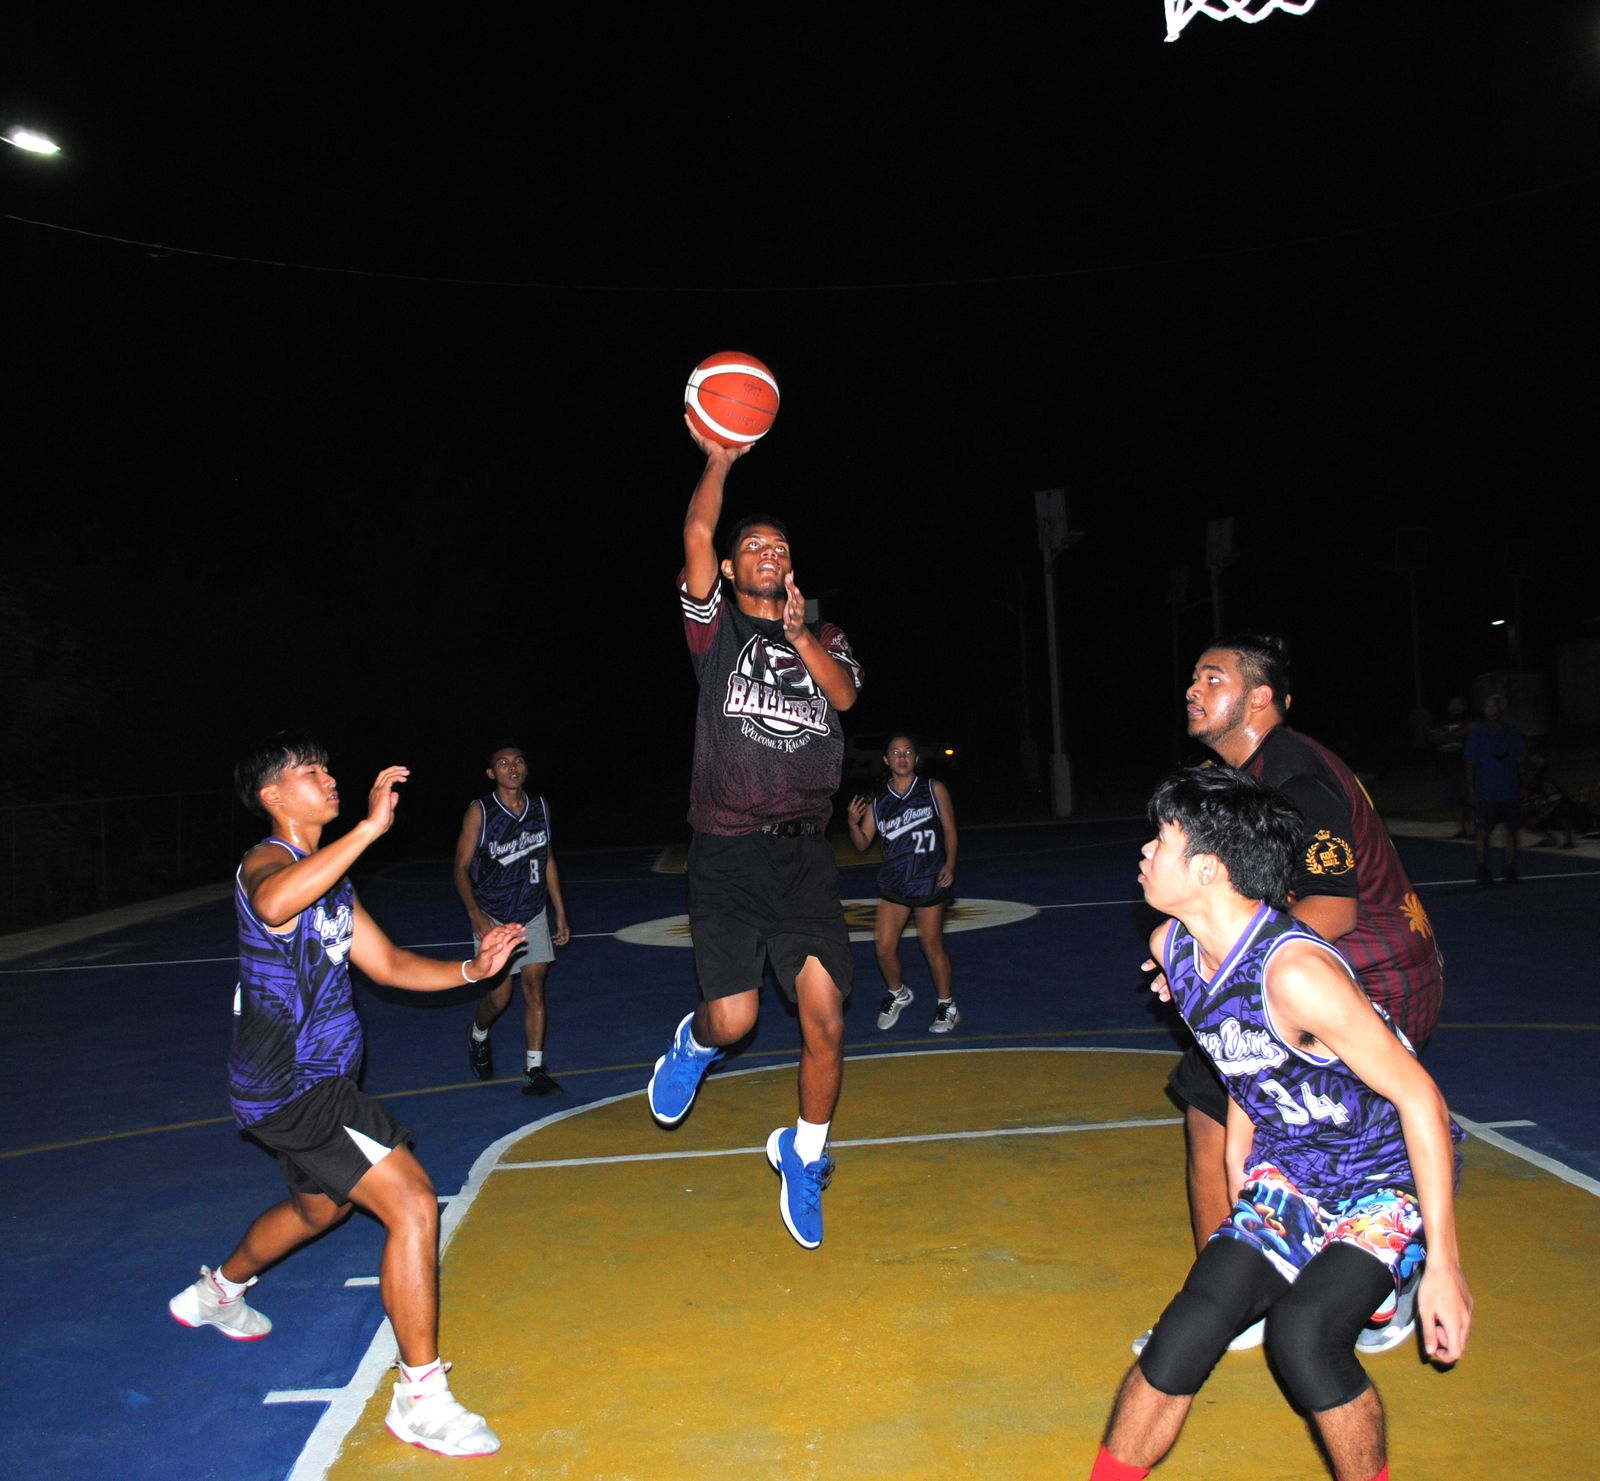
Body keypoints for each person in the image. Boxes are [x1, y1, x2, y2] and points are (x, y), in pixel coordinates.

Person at [1090, 766, 1470, 1481]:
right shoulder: (1176, 946)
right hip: (1291, 1170)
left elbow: (1422, 1099)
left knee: (1304, 1338)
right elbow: (1243, 1066)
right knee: (1181, 1335)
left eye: (1161, 838)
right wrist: (1245, 1188)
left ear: (1208, 868)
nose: (1144, 850)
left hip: (1382, 1179)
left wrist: (1447, 1264)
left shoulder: (1294, 974)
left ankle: (1403, 1275)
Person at [168, 733, 520, 1459]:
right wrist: (366, 828)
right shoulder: (268, 862)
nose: (330, 778)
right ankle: (421, 1396)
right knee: (415, 1202)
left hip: (299, 1088)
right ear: (272, 796)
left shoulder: (333, 884)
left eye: (329, 768)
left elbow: (387, 963)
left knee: (316, 1207)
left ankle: (217, 1290)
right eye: (311, 772)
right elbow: (271, 904)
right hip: (298, 1087)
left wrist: (470, 970)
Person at [1151, 634, 1445, 1357]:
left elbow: (1334, 909)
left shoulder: (1295, 777)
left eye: (1211, 677)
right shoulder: (1243, 777)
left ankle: (1392, 1267)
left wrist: (1225, 974)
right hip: (1320, 968)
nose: (1193, 688)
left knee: (1330, 1131)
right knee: (1223, 1113)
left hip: (1373, 971)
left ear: (1259, 698)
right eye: (1192, 676)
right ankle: (1236, 1295)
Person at [645, 420, 863, 1250]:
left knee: (826, 1018)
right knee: (734, 1021)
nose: (770, 550)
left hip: (805, 853)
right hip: (730, 849)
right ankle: (695, 1044)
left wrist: (806, 634)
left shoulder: (826, 637)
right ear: (734, 572)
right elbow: (700, 530)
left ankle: (803, 1155)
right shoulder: (715, 634)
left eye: (780, 544)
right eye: (755, 547)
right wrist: (719, 457)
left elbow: (842, 699)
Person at [455, 743, 571, 1094]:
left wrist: (560, 912)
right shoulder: (481, 811)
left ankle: (534, 1070)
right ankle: (478, 1034)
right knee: (499, 998)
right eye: (503, 763)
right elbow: (460, 868)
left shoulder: (540, 806)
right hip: (494, 915)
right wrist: (476, 914)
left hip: (533, 911)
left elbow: (547, 858)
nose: (512, 767)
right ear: (492, 773)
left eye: (518, 760)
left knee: (535, 985)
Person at [846, 733, 960, 1034]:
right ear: (886, 759)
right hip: (895, 882)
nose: (902, 757)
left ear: (916, 758)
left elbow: (949, 829)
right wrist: (851, 823)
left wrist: (949, 863)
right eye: (895, 753)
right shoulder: (880, 798)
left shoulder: (933, 789)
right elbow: (862, 844)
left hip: (927, 879)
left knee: (932, 946)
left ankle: (947, 1005)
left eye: (908, 751)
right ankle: (899, 994)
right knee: (883, 948)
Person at [1464, 693, 1527, 884]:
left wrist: (1523, 784)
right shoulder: (1478, 734)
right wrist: (1471, 788)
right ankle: (1483, 867)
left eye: (1496, 707)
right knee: (1483, 830)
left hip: (1510, 789)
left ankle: (1510, 867)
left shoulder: (1513, 732)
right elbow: (1469, 763)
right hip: (1487, 790)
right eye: (1489, 707)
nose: (1493, 711)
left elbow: (1521, 760)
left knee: (1511, 830)